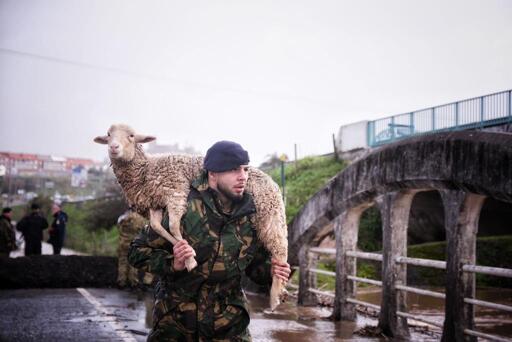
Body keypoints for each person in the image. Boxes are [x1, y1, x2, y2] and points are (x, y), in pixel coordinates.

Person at [128, 141, 291, 341]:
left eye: (245, 169)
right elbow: (136, 251)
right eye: (233, 170)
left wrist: (272, 272)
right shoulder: (183, 207)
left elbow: (256, 267)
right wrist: (173, 264)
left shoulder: (252, 215)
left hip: (229, 326)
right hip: (178, 325)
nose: (243, 176)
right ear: (212, 174)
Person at [117, 209, 149, 287]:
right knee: (133, 263)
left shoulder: (123, 217)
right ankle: (133, 282)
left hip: (123, 243)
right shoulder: (140, 218)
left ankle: (121, 282)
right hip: (134, 243)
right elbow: (144, 230)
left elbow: (118, 227)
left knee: (122, 262)